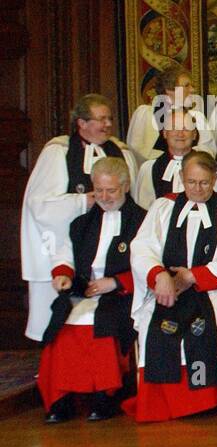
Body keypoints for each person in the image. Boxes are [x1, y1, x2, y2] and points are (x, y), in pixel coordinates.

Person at [124, 151, 217, 421]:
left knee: (205, 325)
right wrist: (160, 276)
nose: (197, 189)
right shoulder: (163, 207)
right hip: (166, 286)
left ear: (215, 179)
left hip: (212, 288)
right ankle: (158, 403)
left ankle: (201, 400)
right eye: (191, 182)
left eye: (204, 182)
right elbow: (142, 246)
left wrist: (191, 277)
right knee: (152, 323)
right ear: (181, 178)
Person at [22, 93, 138, 342]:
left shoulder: (122, 152)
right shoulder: (58, 151)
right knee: (57, 321)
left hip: (113, 243)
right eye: (101, 119)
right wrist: (82, 202)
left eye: (109, 118)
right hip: (65, 240)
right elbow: (39, 204)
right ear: (81, 123)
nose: (108, 124)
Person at [39, 158, 146, 423]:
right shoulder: (81, 223)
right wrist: (63, 275)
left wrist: (116, 282)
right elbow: (65, 255)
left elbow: (151, 263)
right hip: (84, 294)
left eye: (111, 190)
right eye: (99, 190)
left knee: (102, 329)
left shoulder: (142, 220)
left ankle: (105, 395)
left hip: (123, 294)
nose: (104, 197)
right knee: (60, 329)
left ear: (126, 186)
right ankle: (61, 399)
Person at [124, 66, 215, 164]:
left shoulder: (197, 118)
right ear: (169, 90)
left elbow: (208, 152)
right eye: (187, 85)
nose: (192, 90)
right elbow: (135, 151)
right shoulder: (146, 114)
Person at [135, 109, 199, 210]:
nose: (180, 134)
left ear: (194, 134)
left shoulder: (207, 167)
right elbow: (144, 211)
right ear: (165, 133)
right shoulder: (149, 169)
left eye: (186, 129)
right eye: (174, 128)